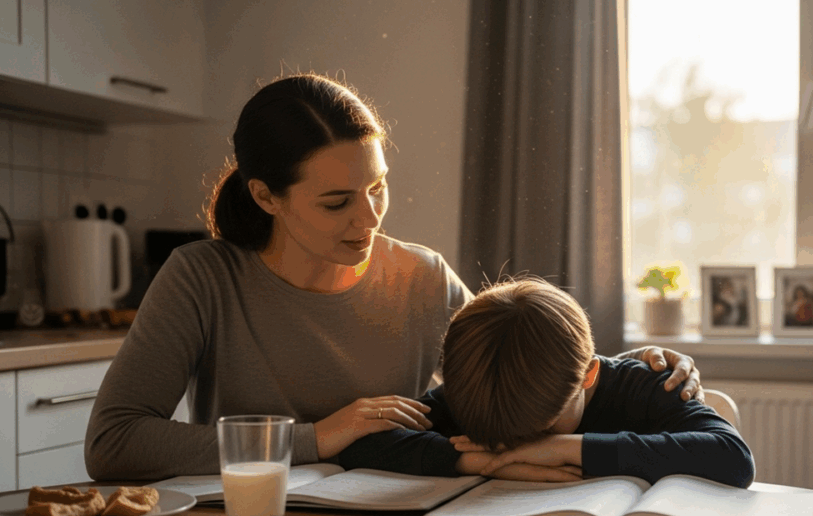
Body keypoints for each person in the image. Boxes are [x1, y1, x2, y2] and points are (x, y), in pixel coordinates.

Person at [84, 74, 704, 481]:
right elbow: (113, 444)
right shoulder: (202, 279)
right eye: (337, 202)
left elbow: (522, 368)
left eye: (377, 187)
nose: (370, 218)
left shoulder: (421, 276)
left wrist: (632, 368)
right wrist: (317, 438)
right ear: (266, 196)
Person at [339, 278, 754, 487]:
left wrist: (563, 449)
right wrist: (478, 461)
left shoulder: (644, 386)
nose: (522, 445)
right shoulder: (479, 387)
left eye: (541, 430)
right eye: (508, 440)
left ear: (588, 375)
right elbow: (365, 444)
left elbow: (733, 457)